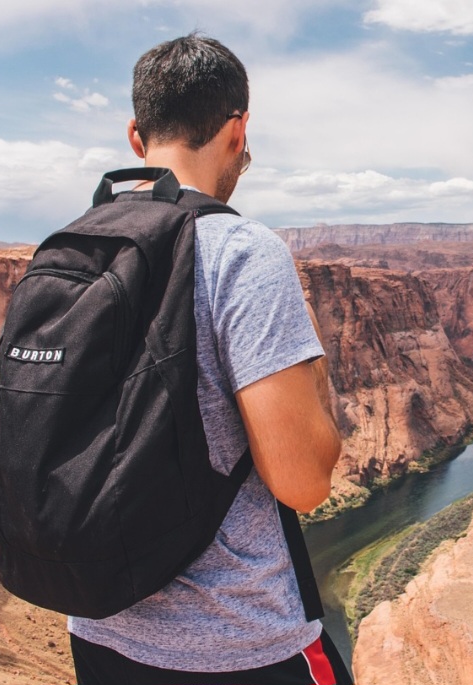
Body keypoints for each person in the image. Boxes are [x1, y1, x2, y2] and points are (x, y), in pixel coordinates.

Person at [67, 33, 353, 685]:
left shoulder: (77, 251)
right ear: (237, 130)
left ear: (136, 137)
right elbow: (304, 482)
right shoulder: (242, 251)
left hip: (98, 630)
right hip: (238, 645)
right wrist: (313, 370)